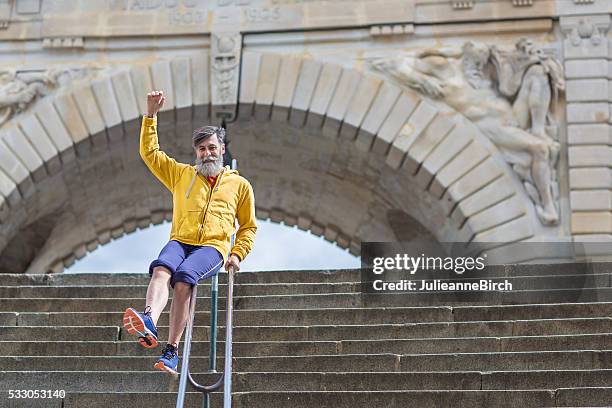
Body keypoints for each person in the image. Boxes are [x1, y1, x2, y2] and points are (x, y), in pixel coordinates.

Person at [122, 90, 257, 375]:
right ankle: (148, 320)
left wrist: (236, 254)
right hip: (180, 240)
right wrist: (151, 116)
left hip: (213, 248)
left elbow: (247, 226)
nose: (206, 153)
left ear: (222, 149)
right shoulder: (182, 174)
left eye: (211, 148)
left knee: (184, 280)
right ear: (196, 153)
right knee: (161, 269)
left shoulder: (240, 185)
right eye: (201, 149)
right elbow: (150, 154)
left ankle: (171, 351)